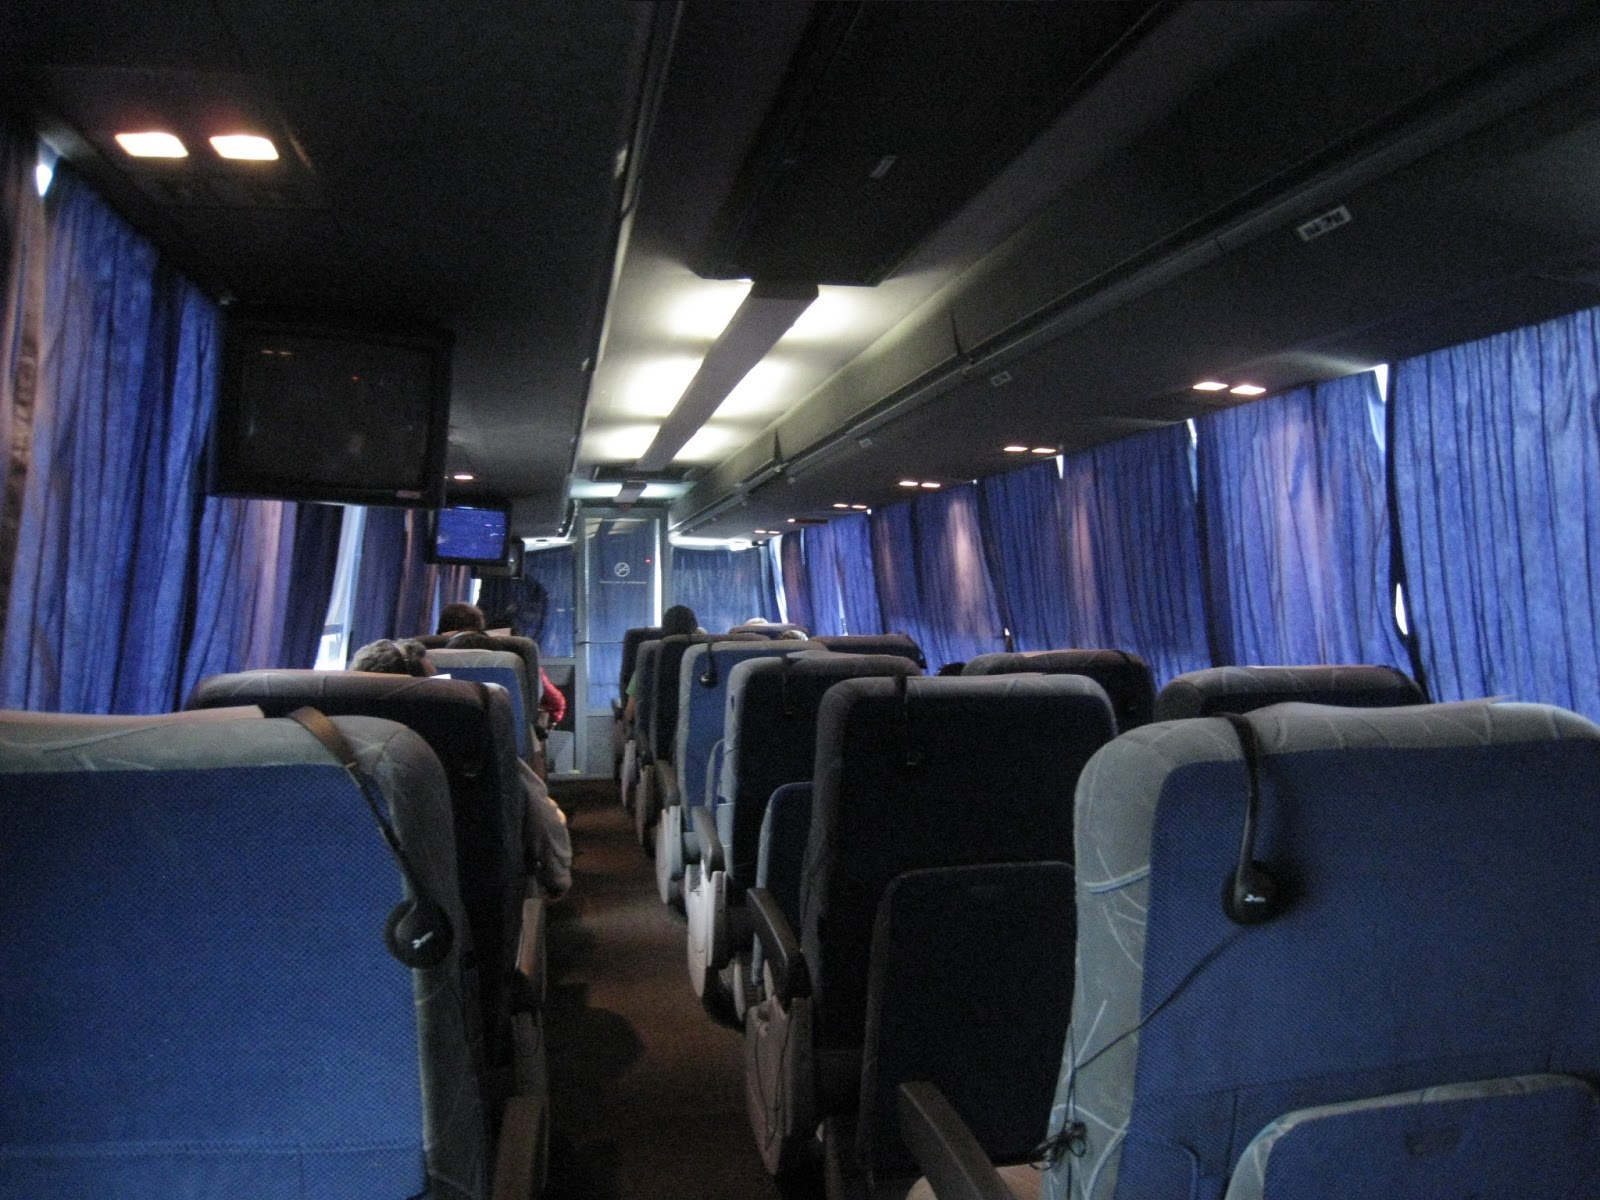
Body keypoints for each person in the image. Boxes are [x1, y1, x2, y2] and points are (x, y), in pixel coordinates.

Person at [346, 637, 572, 897]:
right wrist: (558, 878)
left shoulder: (327, 748)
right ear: (421, 692)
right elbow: (541, 815)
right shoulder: (470, 744)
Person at [622, 604, 697, 723]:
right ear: (694, 626)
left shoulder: (650, 656)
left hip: (660, 728)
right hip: (697, 725)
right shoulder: (702, 657)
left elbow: (630, 712)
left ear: (664, 628)